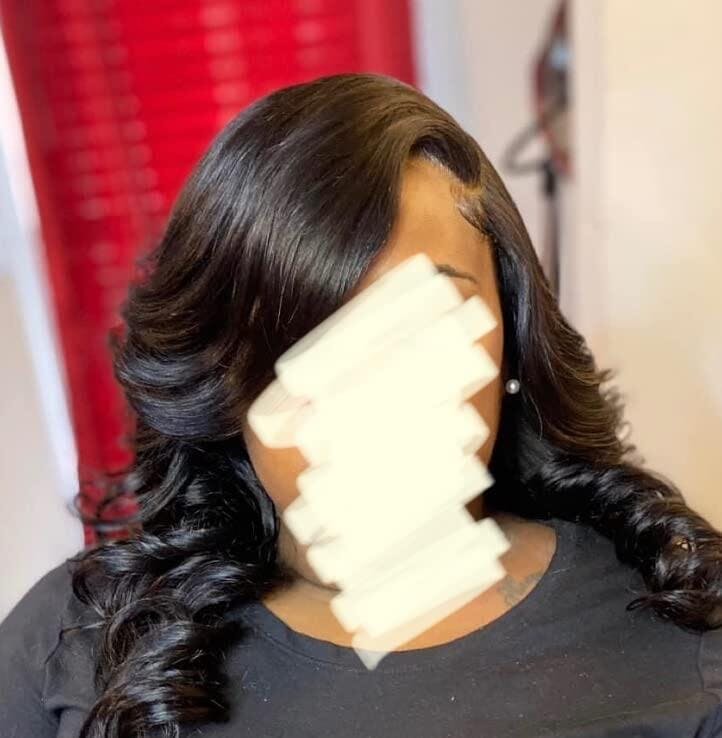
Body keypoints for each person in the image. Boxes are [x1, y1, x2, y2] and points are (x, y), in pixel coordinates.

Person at [1, 72, 720, 738]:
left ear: (510, 345)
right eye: (306, 332)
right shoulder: (73, 641)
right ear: (222, 374)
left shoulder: (686, 638)